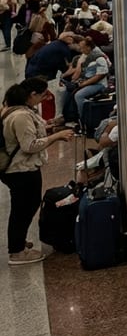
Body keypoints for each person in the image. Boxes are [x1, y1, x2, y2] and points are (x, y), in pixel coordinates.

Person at [2, 78, 75, 265]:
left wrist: (49, 128)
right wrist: (56, 137)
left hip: (21, 168)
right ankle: (16, 251)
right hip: (20, 169)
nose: (44, 99)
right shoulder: (20, 116)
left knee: (26, 205)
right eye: (42, 95)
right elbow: (29, 145)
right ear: (32, 95)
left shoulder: (18, 110)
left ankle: (18, 242)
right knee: (23, 208)